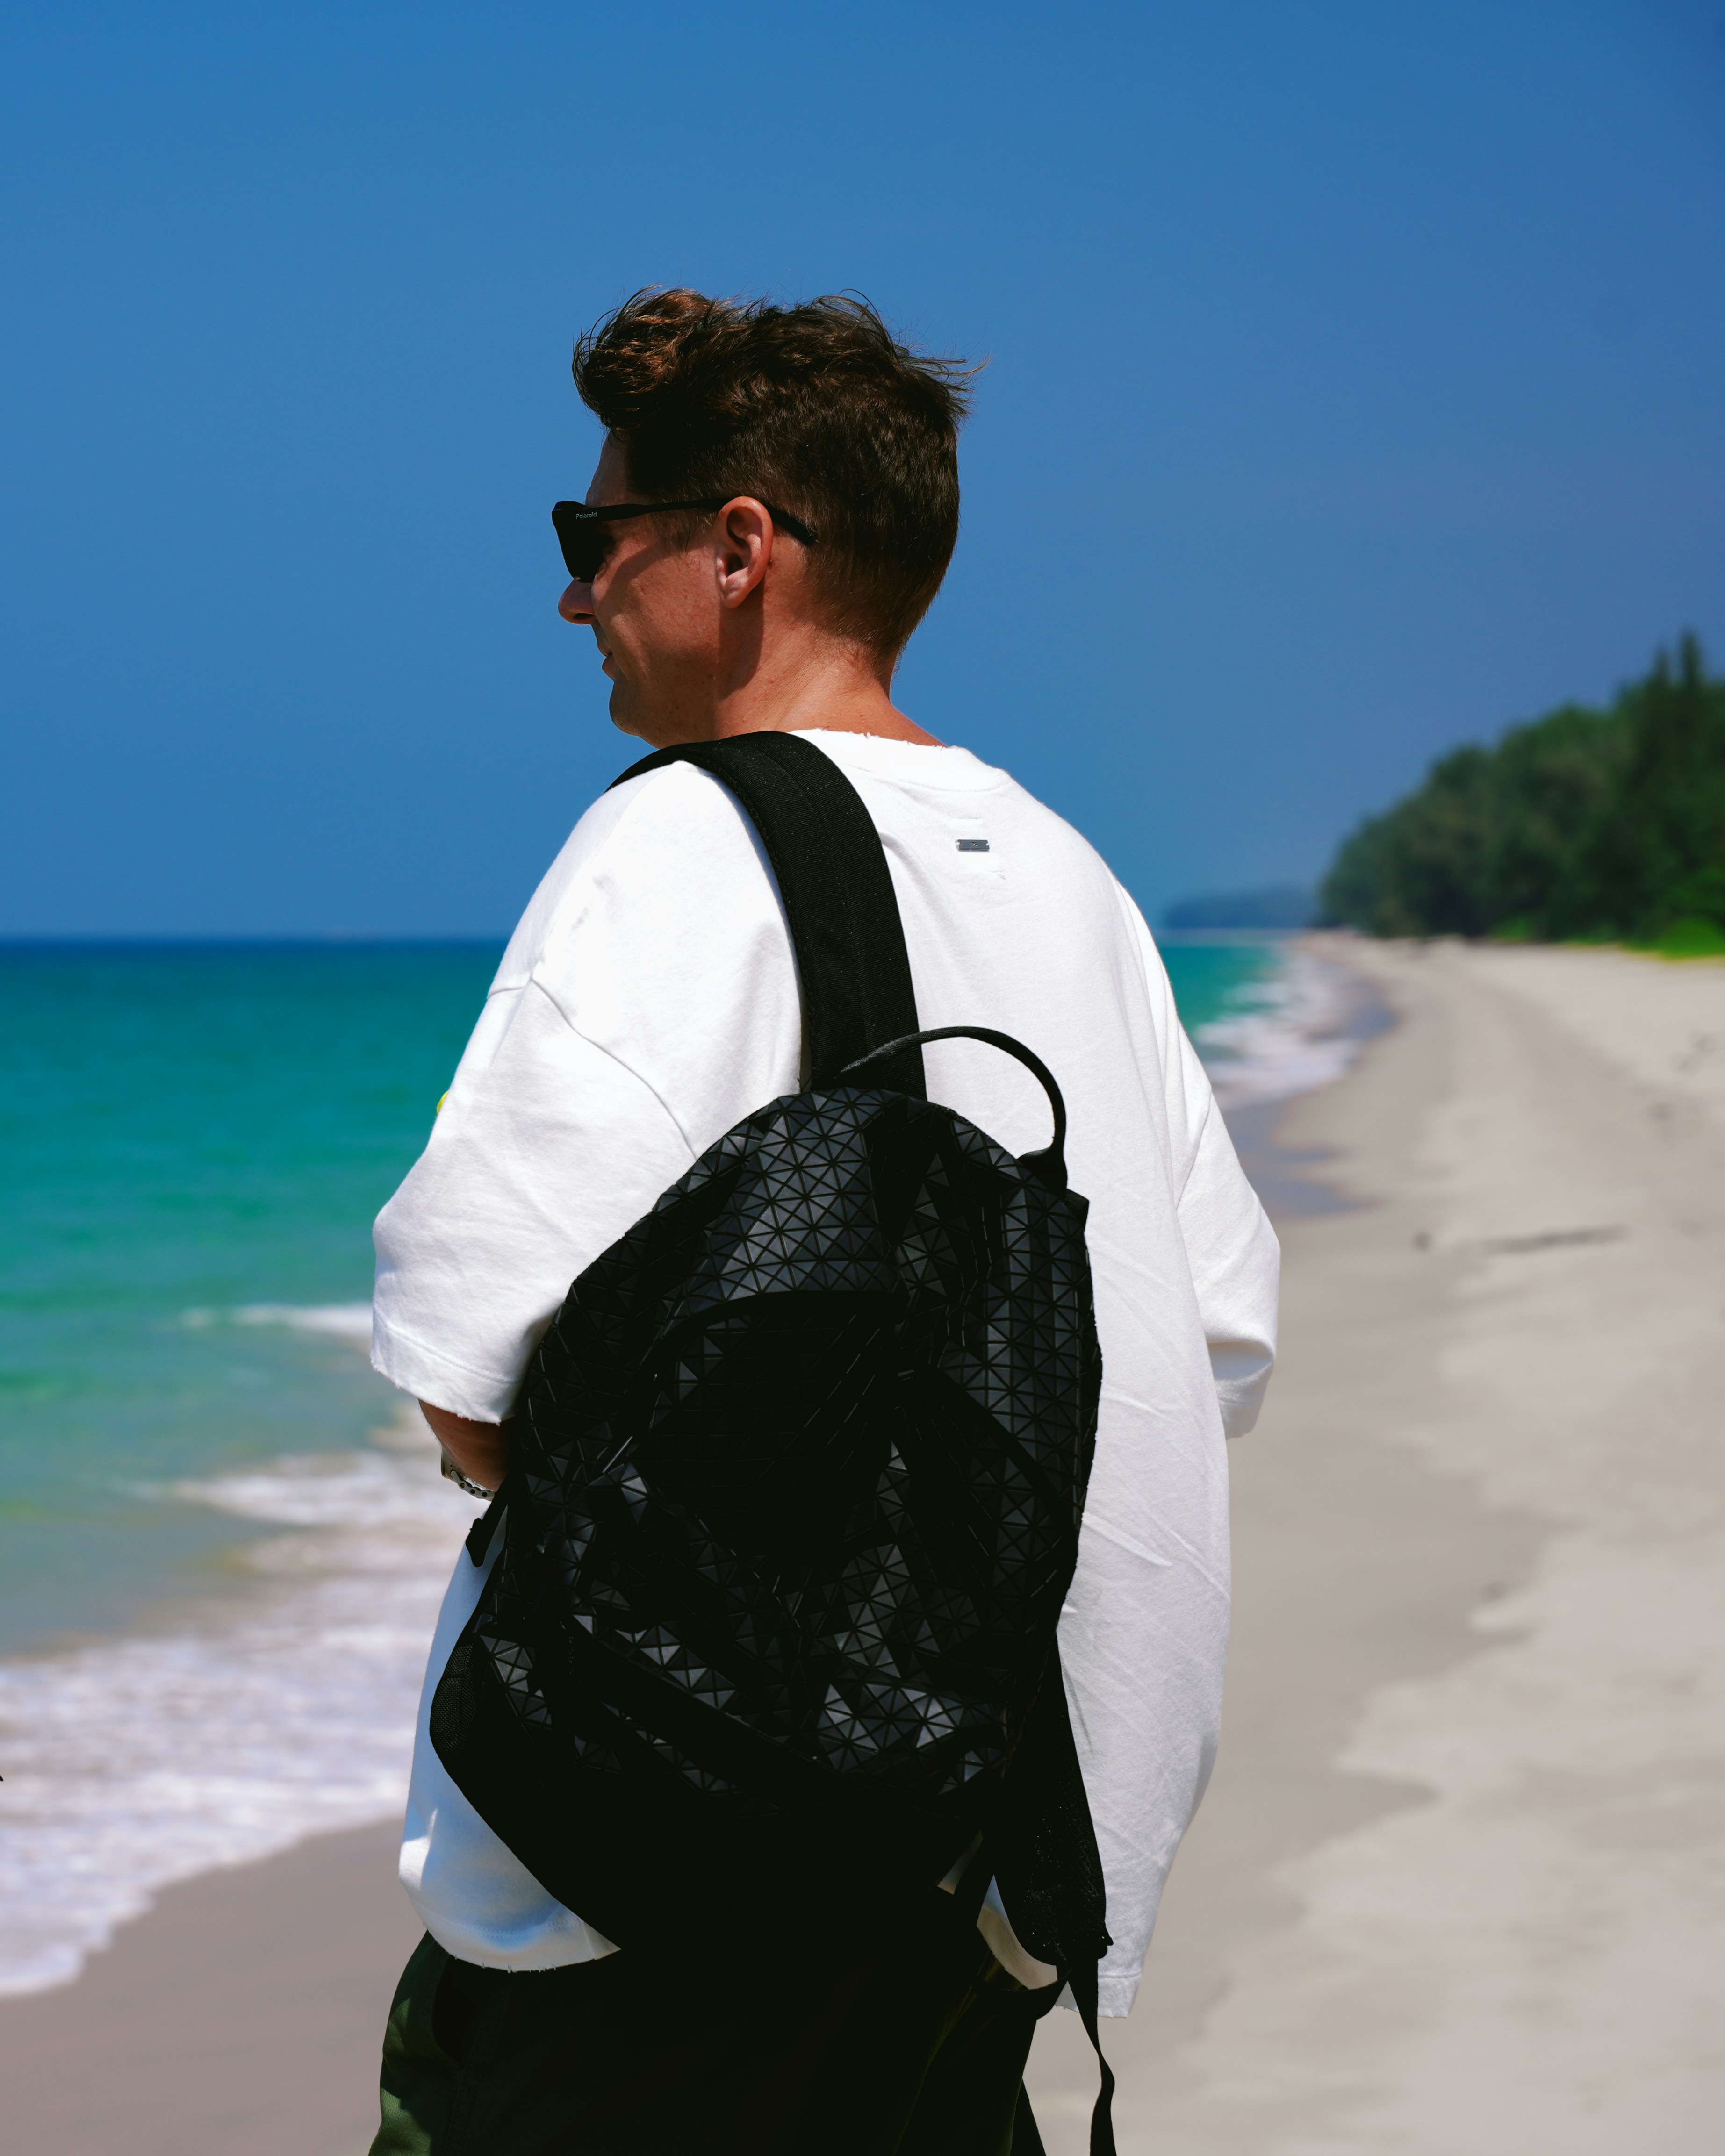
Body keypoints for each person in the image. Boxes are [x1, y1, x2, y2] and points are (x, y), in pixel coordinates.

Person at [366, 289, 1279, 2155]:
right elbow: (1217, 1340)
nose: (570, 597)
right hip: (992, 1909)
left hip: (670, 1937)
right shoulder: (1068, 875)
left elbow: (466, 1374)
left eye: (591, 536)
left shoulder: (676, 843)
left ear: (736, 547)